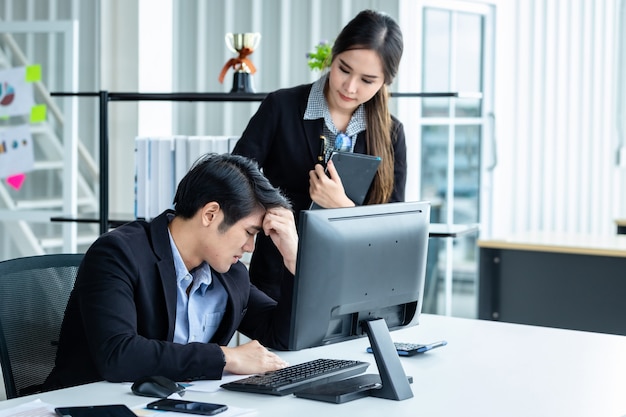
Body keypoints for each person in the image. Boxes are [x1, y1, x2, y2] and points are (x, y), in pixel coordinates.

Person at [43, 153, 298, 390]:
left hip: (176, 403)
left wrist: (293, 259)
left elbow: (282, 336)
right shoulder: (117, 254)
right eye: (249, 232)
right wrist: (225, 357)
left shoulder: (230, 274)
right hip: (94, 404)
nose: (250, 247)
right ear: (210, 214)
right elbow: (118, 355)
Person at [232, 9, 406, 300]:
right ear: (333, 56)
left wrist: (344, 209)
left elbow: (396, 230)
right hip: (277, 278)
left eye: (367, 80)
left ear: (385, 82)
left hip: (354, 283)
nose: (350, 87)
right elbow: (234, 175)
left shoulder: (392, 134)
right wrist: (267, 213)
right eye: (344, 69)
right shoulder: (281, 107)